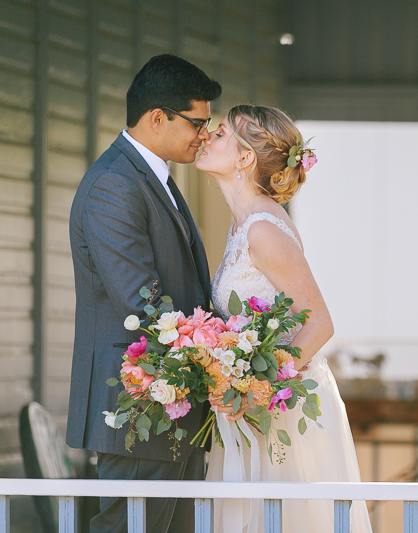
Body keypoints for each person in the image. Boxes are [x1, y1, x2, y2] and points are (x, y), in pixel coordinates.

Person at [196, 105, 372, 533]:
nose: (206, 137)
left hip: (282, 410)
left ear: (244, 158)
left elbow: (320, 324)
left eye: (219, 133)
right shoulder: (243, 226)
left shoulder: (263, 230)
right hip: (256, 404)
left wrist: (257, 389)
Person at [67, 54, 221, 533]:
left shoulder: (154, 178)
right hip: (137, 411)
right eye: (198, 122)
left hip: (175, 409)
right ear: (158, 117)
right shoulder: (115, 183)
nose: (205, 135)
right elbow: (144, 302)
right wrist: (223, 357)